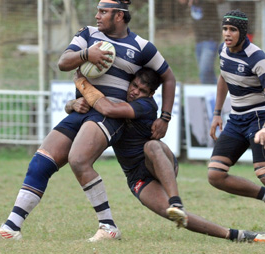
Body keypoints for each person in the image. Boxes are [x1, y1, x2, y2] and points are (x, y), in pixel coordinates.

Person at [0, 0, 176, 242]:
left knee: (79, 160)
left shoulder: (142, 47)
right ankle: (11, 228)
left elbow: (168, 77)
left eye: (103, 11)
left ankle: (108, 227)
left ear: (119, 15)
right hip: (83, 109)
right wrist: (86, 55)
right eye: (98, 10)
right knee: (41, 161)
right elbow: (63, 62)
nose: (97, 15)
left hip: (109, 115)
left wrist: (165, 117)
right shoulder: (88, 34)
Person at [72, 67, 265, 242]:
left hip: (159, 163)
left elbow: (108, 108)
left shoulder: (146, 106)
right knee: (171, 215)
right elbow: (76, 108)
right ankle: (237, 235)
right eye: (134, 85)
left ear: (151, 94)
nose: (135, 92)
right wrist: (73, 104)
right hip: (136, 177)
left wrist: (82, 83)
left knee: (151, 146)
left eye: (142, 91)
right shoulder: (119, 97)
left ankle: (176, 201)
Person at [208, 10, 265, 214]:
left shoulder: (258, 58)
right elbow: (223, 77)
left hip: (259, 117)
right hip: (236, 119)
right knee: (215, 175)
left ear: (243, 33)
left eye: (232, 29)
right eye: (225, 29)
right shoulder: (223, 50)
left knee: (262, 172)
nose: (227, 34)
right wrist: (217, 113)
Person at [175, 0, 224, 84]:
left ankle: (208, 93)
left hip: (211, 38)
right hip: (199, 39)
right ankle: (215, 93)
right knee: (207, 71)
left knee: (204, 70)